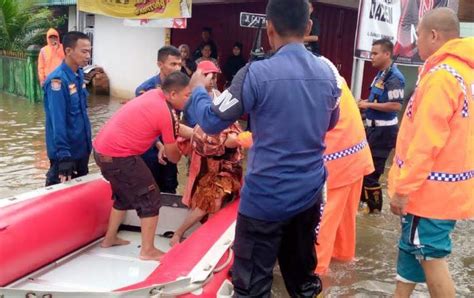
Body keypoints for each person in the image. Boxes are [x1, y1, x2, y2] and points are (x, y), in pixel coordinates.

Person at [186, 0, 341, 296]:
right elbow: (331, 123)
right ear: (308, 27)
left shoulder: (253, 74)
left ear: (269, 28)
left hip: (264, 200)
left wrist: (197, 91)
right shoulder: (329, 74)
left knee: (253, 285)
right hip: (309, 195)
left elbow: (210, 121)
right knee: (303, 282)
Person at [388, 8, 474, 298]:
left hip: (427, 195)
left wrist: (402, 189)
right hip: (446, 191)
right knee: (412, 251)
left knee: (430, 255)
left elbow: (426, 143)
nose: (415, 44)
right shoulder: (464, 72)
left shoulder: (440, 78)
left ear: (434, 35)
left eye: (419, 36)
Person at [93, 71, 191, 261]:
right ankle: (148, 250)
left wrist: (193, 135)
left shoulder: (154, 94)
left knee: (122, 195)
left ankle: (109, 238)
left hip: (100, 151)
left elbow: (173, 127)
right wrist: (184, 148)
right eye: (187, 95)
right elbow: (174, 157)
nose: (189, 100)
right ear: (172, 94)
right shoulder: (166, 112)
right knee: (151, 196)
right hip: (119, 156)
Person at [170, 61, 243, 246]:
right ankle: (180, 234)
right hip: (204, 155)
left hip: (225, 161)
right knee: (205, 198)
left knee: (218, 199)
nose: (213, 80)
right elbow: (195, 130)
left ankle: (208, 237)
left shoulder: (220, 95)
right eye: (210, 75)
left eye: (215, 76)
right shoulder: (192, 99)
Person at [315, 77, 374, 274]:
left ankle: (317, 277)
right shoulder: (331, 74)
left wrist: (242, 139)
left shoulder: (302, 82)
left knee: (321, 226)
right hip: (355, 158)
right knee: (344, 225)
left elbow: (283, 132)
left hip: (335, 166)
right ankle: (345, 273)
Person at [358, 38, 405, 213]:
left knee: (372, 175)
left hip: (384, 132)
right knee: (364, 169)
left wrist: (368, 105)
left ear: (387, 54)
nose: (372, 57)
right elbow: (377, 100)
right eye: (371, 53)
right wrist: (364, 104)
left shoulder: (394, 77)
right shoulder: (381, 74)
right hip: (372, 129)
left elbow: (396, 106)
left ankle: (374, 213)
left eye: (375, 53)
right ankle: (363, 208)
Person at [43, 31, 92, 186]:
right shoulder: (57, 81)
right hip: (65, 157)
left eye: (89, 51)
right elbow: (58, 122)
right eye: (84, 51)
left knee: (79, 199)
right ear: (69, 51)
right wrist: (64, 156)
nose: (88, 56)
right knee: (55, 199)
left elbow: (81, 114)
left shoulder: (78, 75)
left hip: (81, 152)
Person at [135, 46, 182, 194]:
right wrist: (160, 145)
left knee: (170, 186)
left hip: (170, 146)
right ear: (160, 64)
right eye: (173, 64)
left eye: (179, 64)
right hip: (149, 148)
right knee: (149, 188)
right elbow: (143, 125)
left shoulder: (181, 89)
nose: (177, 68)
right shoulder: (145, 90)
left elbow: (182, 120)